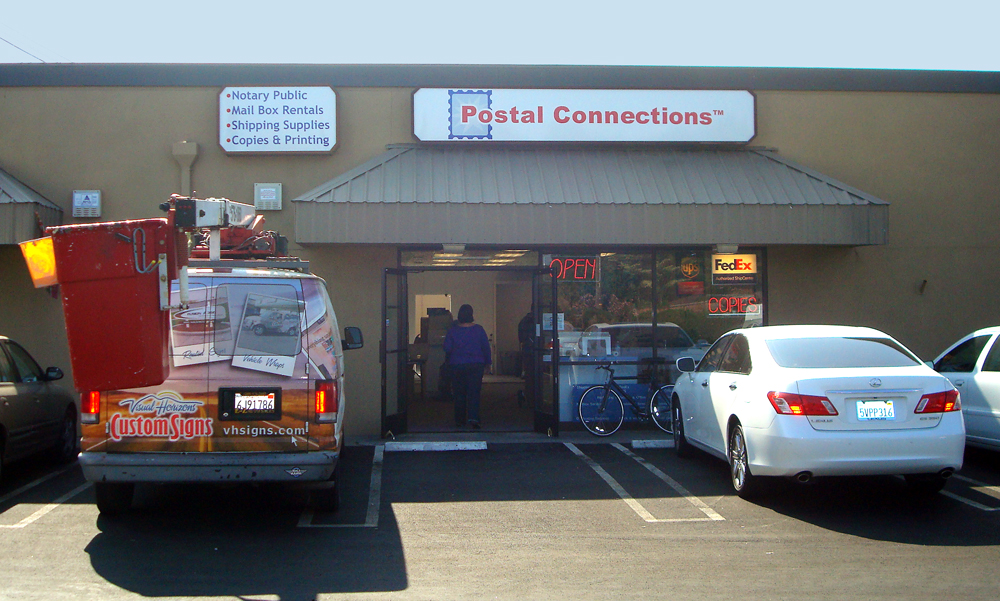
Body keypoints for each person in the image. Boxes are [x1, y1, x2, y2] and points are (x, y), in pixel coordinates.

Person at [444, 304, 492, 429]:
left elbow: (447, 348)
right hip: (476, 365)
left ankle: (460, 420)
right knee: (474, 392)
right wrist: (488, 363)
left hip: (457, 365)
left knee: (459, 393)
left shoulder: (453, 330)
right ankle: (473, 418)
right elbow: (486, 348)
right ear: (472, 315)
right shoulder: (479, 330)